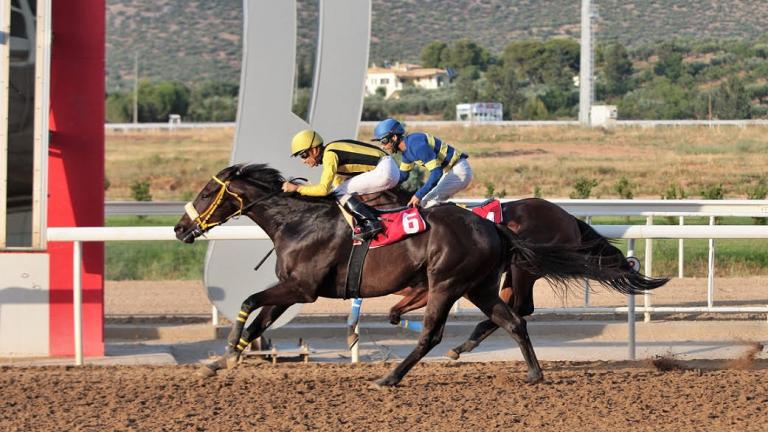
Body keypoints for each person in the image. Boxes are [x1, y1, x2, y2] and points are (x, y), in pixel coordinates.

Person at [282, 129, 400, 241]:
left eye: (303, 155)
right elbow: (333, 189)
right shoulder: (331, 153)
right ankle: (366, 221)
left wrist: (297, 188)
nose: (303, 161)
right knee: (339, 191)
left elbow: (324, 189)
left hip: (385, 168)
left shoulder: (330, 154)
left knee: (339, 192)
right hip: (388, 168)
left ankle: (371, 223)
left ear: (314, 150)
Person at [372, 118, 473, 208]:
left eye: (384, 141)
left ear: (394, 137)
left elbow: (436, 173)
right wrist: (382, 186)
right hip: (450, 171)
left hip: (458, 170)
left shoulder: (416, 145)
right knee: (424, 201)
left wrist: (418, 195)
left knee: (426, 202)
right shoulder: (406, 152)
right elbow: (402, 176)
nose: (383, 146)